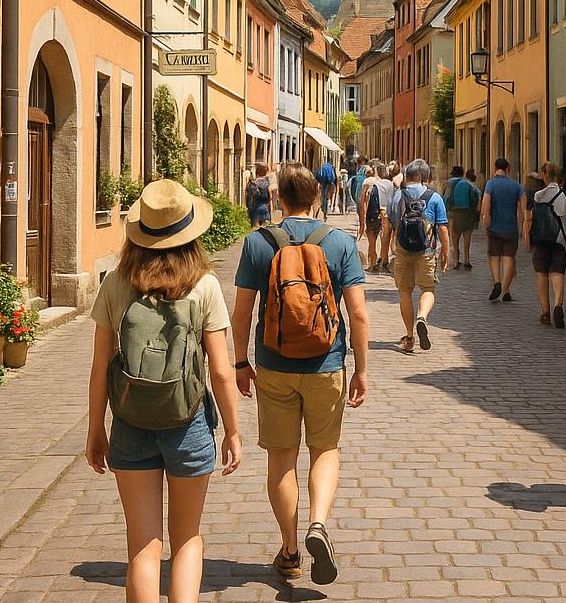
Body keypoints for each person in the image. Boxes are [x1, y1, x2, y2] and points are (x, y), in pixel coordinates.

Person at [85, 180, 242, 603]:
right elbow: (223, 373)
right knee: (187, 538)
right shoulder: (204, 285)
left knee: (142, 542)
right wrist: (232, 430)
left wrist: (95, 430)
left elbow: (100, 368)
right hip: (187, 423)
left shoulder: (117, 283)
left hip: (131, 423)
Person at [232, 163, 369, 584]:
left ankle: (290, 550)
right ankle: (318, 523)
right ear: (316, 198)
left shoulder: (258, 243)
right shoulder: (341, 243)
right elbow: (359, 314)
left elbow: (241, 314)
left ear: (278, 200)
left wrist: (240, 363)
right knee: (324, 449)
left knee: (282, 457)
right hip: (327, 363)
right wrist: (361, 369)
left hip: (274, 365)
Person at [389, 158, 449, 353]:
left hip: (403, 249)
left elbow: (394, 222)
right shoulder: (435, 197)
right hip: (426, 251)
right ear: (425, 177)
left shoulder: (399, 195)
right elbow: (442, 228)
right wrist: (446, 253)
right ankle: (422, 317)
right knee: (428, 289)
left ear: (408, 176)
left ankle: (409, 336)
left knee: (404, 292)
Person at [526, 161, 566, 328]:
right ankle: (558, 304)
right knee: (557, 273)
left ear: (544, 176)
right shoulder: (564, 195)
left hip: (541, 239)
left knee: (542, 274)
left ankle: (545, 312)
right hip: (558, 239)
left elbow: (531, 217)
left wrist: (527, 237)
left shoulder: (538, 195)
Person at [481, 158, 525, 303]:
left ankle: (497, 282)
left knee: (494, 256)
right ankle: (506, 290)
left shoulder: (490, 184)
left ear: (495, 168)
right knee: (509, 258)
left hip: (494, 226)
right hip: (511, 227)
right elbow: (522, 210)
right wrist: (522, 226)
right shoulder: (517, 186)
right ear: (508, 168)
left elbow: (486, 205)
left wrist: (485, 222)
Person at [359, 164, 394, 273]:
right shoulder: (390, 184)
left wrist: (362, 219)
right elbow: (393, 200)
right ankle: (384, 262)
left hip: (373, 214)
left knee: (372, 240)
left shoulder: (370, 182)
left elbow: (363, 200)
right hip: (386, 213)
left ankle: (373, 264)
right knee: (385, 240)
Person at [445, 166, 482, 269]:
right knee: (467, 238)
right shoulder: (468, 184)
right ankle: (467, 259)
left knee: (455, 238)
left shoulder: (450, 182)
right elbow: (478, 194)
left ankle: (456, 260)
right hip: (468, 213)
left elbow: (446, 198)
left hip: (454, 213)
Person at [246, 163, 275, 229]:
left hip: (254, 209)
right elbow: (270, 198)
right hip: (265, 208)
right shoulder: (267, 183)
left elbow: (248, 199)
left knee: (255, 230)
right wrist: (271, 213)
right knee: (266, 230)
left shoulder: (252, 183)